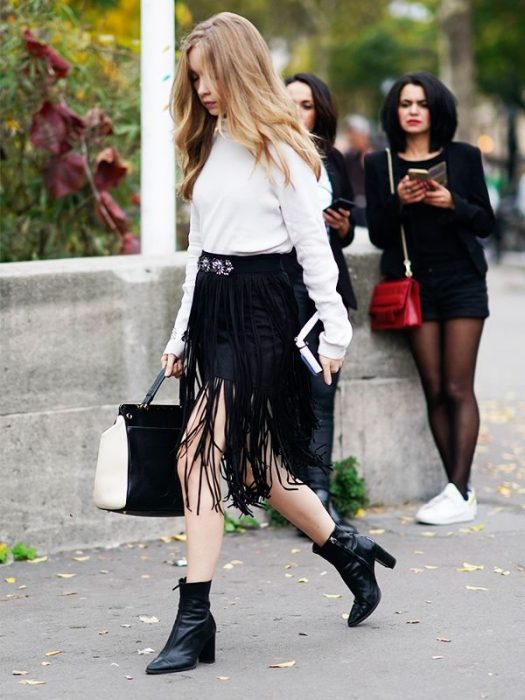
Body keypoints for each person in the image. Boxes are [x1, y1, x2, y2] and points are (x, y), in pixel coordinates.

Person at [145, 12, 396, 675]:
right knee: (258, 470)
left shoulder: (284, 148)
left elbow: (315, 254)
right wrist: (178, 337)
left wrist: (335, 336)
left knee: (197, 452)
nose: (200, 88)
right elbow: (198, 254)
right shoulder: (208, 144)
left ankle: (194, 614)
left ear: (240, 68)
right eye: (193, 77)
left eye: (210, 75)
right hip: (214, 312)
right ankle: (346, 549)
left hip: (265, 313)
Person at [365, 71, 495, 526]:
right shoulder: (379, 164)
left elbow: (485, 223)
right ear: (395, 112)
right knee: (435, 389)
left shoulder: (463, 157)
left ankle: (459, 490)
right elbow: (380, 234)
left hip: (462, 281)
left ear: (436, 109)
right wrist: (399, 200)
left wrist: (450, 202)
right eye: (405, 103)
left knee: (459, 387)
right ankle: (457, 489)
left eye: (421, 102)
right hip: (414, 285)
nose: (414, 110)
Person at [284, 73, 357, 533]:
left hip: (325, 295)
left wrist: (343, 228)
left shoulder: (334, 161)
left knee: (322, 395)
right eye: (288, 102)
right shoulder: (268, 156)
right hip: (278, 290)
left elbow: (341, 238)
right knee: (283, 397)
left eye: (306, 104)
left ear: (320, 111)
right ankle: (294, 501)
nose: (296, 111)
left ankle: (320, 498)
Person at [343, 115, 373, 227]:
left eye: (353, 133)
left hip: (364, 209)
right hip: (353, 206)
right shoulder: (349, 156)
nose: (350, 137)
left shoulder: (371, 156)